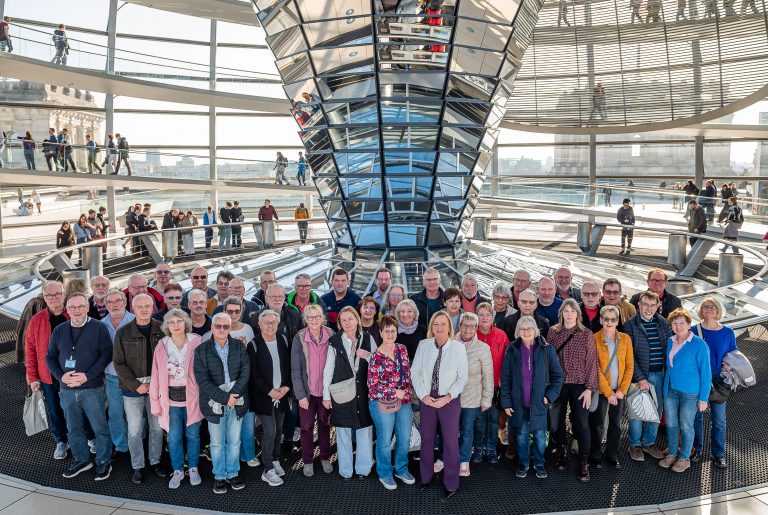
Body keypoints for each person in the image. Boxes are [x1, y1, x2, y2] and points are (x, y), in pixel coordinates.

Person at [46, 292, 113, 481]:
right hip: (67, 389)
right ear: (67, 309)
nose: (77, 310)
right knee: (73, 427)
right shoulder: (59, 330)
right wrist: (61, 377)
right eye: (73, 307)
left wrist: (87, 376)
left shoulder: (99, 328)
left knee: (99, 426)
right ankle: (81, 459)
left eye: (81, 306)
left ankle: (103, 460)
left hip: (91, 387)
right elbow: (50, 357)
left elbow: (107, 354)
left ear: (87, 307)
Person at [411, 311, 468, 500]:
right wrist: (424, 396)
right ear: (431, 327)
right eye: (436, 324)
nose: (439, 327)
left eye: (443, 324)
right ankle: (426, 478)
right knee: (427, 439)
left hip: (449, 401)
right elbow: (416, 372)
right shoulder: (423, 345)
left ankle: (451, 483)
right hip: (427, 399)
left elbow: (462, 378)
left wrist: (448, 397)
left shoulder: (458, 348)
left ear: (449, 327)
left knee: (450, 441)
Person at [501, 316, 563, 480]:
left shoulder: (546, 349)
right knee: (521, 435)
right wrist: (506, 401)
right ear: (518, 331)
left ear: (535, 330)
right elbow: (505, 378)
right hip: (518, 402)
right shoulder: (512, 350)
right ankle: (523, 464)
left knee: (540, 436)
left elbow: (558, 376)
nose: (526, 332)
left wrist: (548, 397)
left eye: (529, 328)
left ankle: (539, 464)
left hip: (539, 402)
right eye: (522, 329)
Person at [194, 312, 250, 494]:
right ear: (212, 327)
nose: (222, 329)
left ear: (230, 328)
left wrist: (233, 395)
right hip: (214, 404)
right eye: (218, 326)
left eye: (226, 326)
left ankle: (232, 473)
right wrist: (225, 398)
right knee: (217, 443)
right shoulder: (201, 350)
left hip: (237, 401)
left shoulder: (239, 346)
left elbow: (245, 372)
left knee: (234, 441)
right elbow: (203, 380)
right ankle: (219, 476)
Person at [113, 294, 167, 484]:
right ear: (132, 308)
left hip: (157, 389)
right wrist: (137, 385)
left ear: (152, 307)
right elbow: (118, 364)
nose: (144, 309)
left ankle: (155, 461)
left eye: (147, 306)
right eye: (139, 306)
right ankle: (138, 466)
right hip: (132, 390)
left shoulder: (162, 329)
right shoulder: (123, 332)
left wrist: (156, 384)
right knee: (134, 431)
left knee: (157, 428)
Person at [546, 299, 599, 481]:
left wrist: (590, 389)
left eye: (572, 311)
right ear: (561, 313)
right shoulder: (553, 332)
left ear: (578, 313)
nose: (569, 314)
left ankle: (584, 460)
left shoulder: (586, 334)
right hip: (558, 384)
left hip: (579, 385)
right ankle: (563, 452)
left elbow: (592, 362)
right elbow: (548, 360)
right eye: (566, 311)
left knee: (581, 422)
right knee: (557, 421)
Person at [150, 310, 204, 489]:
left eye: (179, 321)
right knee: (173, 438)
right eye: (171, 322)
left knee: (193, 435)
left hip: (193, 399)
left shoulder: (197, 341)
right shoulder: (162, 345)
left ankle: (194, 468)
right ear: (167, 326)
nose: (176, 325)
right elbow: (156, 376)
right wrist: (155, 403)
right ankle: (178, 470)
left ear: (186, 322)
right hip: (170, 402)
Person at [322, 306, 376, 480]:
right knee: (343, 432)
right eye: (343, 320)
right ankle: (345, 470)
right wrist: (326, 395)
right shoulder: (335, 341)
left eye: (350, 319)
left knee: (364, 431)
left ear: (357, 320)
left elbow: (378, 364)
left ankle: (363, 469)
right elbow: (328, 369)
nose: (347, 323)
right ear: (339, 322)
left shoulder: (368, 338)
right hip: (342, 392)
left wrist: (367, 356)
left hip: (364, 391)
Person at [658, 308, 711, 474]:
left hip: (691, 393)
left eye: (682, 322)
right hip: (671, 390)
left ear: (689, 325)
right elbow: (669, 367)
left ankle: (685, 458)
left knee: (687, 425)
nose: (678, 326)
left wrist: (703, 398)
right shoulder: (670, 341)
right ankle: (673, 453)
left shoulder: (699, 344)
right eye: (675, 322)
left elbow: (706, 372)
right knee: (672, 424)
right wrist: (665, 389)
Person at [26, 281, 75, 460]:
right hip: (48, 375)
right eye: (49, 295)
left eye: (57, 294)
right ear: (44, 298)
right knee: (55, 411)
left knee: (76, 408)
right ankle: (61, 440)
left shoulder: (74, 315)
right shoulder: (37, 320)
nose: (54, 298)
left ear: (64, 294)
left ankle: (81, 437)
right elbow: (30, 349)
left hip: (73, 374)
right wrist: (32, 377)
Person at [624, 290, 674, 462]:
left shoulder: (663, 324)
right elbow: (629, 356)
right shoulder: (630, 325)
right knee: (637, 410)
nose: (648, 308)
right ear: (639, 305)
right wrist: (640, 377)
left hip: (659, 374)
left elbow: (670, 349)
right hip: (639, 376)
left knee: (656, 410)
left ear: (658, 306)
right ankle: (635, 444)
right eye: (645, 304)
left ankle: (649, 442)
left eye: (653, 305)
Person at [368, 314, 416, 490]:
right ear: (380, 333)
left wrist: (406, 392)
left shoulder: (402, 349)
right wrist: (394, 391)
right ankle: (385, 472)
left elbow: (408, 375)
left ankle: (401, 469)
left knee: (404, 437)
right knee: (385, 439)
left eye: (393, 331)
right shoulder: (376, 357)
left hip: (403, 401)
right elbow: (372, 387)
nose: (390, 334)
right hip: (381, 402)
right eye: (386, 331)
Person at [691, 297, 736, 469]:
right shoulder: (693, 330)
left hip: (718, 380)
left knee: (718, 420)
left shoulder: (727, 332)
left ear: (718, 310)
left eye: (712, 307)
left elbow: (734, 352)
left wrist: (730, 364)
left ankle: (718, 454)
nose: (708, 309)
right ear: (701, 310)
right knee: (696, 417)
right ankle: (696, 450)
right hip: (699, 379)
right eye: (705, 306)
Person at [248, 310, 292, 487]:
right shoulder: (254, 344)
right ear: (259, 324)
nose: (270, 325)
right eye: (266, 322)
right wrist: (270, 391)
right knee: (270, 431)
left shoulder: (283, 339)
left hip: (282, 394)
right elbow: (253, 376)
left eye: (273, 322)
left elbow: (289, 367)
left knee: (279, 428)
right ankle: (267, 469)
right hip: (264, 396)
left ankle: (275, 459)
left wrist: (286, 387)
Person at [291, 304, 334, 477]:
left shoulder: (331, 335)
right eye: (310, 317)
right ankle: (307, 460)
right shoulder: (299, 337)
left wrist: (330, 393)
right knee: (306, 427)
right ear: (305, 320)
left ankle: (325, 457)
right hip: (307, 393)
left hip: (325, 393)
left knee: (325, 425)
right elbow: (295, 370)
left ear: (322, 318)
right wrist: (300, 395)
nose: (314, 320)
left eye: (317, 316)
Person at [589, 306, 634, 469]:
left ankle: (612, 454)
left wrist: (622, 390)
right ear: (601, 320)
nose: (609, 322)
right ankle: (596, 454)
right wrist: (608, 392)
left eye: (613, 319)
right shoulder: (593, 339)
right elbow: (595, 368)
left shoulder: (625, 339)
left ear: (617, 321)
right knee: (598, 423)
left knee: (616, 424)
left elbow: (630, 366)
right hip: (602, 390)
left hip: (619, 391)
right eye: (606, 319)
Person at [452, 313, 492, 476]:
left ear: (476, 328)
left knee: (467, 430)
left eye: (471, 326)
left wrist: (486, 399)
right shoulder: (449, 344)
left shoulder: (483, 348)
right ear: (459, 326)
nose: (467, 329)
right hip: (451, 397)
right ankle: (447, 457)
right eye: (464, 325)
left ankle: (463, 460)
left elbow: (488, 375)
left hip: (472, 397)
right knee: (450, 430)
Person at [473, 302, 509, 463]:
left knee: (494, 419)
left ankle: (492, 448)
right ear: (476, 317)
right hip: (476, 386)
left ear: (493, 316)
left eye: (488, 314)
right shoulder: (471, 335)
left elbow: (507, 360)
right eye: (481, 314)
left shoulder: (501, 335)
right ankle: (479, 448)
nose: (485, 317)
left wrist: (503, 380)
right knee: (480, 420)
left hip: (495, 386)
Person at [100, 289, 133, 457]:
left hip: (133, 377)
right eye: (110, 302)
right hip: (112, 377)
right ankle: (120, 446)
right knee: (115, 413)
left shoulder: (135, 321)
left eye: (118, 300)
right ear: (106, 305)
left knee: (136, 414)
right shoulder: (100, 325)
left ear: (125, 302)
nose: (114, 305)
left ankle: (137, 442)